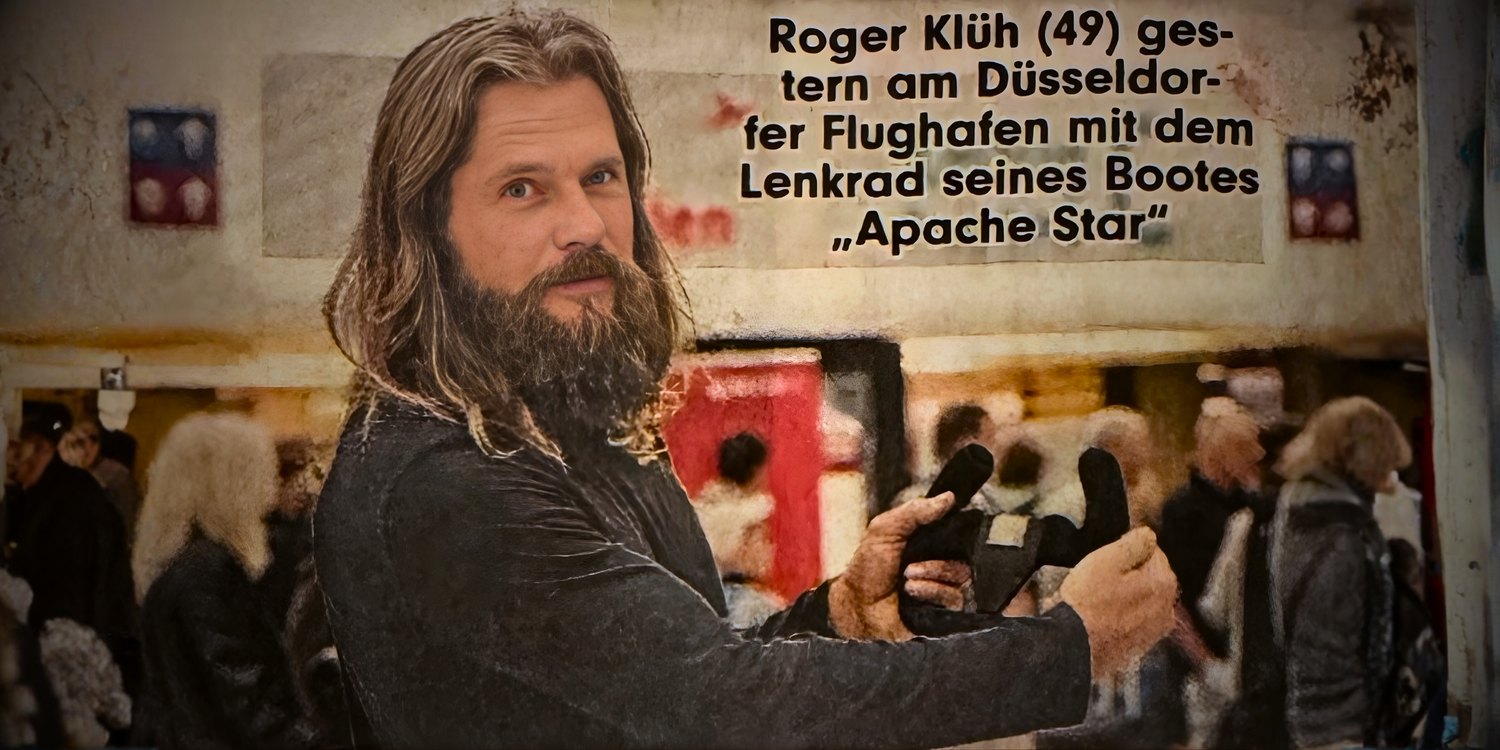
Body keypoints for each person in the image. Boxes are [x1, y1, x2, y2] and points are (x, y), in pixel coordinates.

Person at [313, 12, 1178, 747]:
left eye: (601, 178)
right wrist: (1066, 648)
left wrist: (839, 612)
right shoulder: (440, 479)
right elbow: (720, 710)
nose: (583, 225)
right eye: (523, 189)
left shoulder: (573, 428)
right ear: (427, 229)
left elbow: (670, 682)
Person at [131, 413, 312, 749]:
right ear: (229, 481)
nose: (270, 483)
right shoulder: (206, 575)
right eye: (258, 468)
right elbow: (242, 694)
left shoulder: (182, 564)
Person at [1267, 396, 1413, 748]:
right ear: (1362, 456)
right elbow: (1370, 639)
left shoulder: (1297, 513)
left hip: (1306, 710)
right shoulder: (1348, 532)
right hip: (1347, 721)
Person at [3, 404, 136, 661]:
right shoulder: (57, 493)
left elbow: (68, 594)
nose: (9, 457)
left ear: (42, 447)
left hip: (73, 653)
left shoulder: (67, 502)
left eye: (15, 448)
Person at [693, 432, 780, 627]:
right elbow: (754, 565)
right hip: (739, 598)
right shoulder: (758, 508)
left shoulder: (699, 506)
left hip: (701, 598)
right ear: (756, 470)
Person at [59, 419, 143, 540]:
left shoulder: (115, 475)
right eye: (78, 443)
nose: (88, 446)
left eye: (93, 439)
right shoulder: (67, 473)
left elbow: (127, 521)